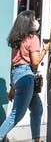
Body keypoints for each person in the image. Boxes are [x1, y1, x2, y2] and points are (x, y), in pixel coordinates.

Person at [0, 10, 48, 142]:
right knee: (16, 115)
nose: (36, 21)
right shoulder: (33, 39)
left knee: (37, 109)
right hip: (26, 77)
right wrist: (45, 49)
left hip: (17, 76)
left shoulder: (17, 39)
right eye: (33, 19)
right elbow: (35, 61)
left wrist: (12, 86)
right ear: (28, 23)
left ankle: (36, 139)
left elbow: (13, 64)